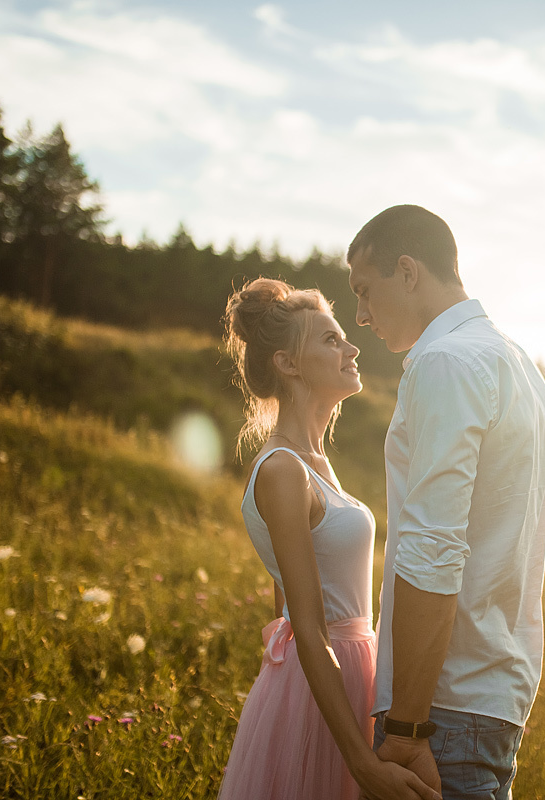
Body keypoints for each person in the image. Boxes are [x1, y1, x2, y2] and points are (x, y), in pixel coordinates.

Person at [347, 205, 545, 800]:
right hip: (493, 697)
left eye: (365, 291)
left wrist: (409, 729)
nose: (360, 316)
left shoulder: (446, 363)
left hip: (441, 710)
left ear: (408, 272)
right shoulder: (519, 365)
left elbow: (433, 549)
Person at [217, 278, 438, 800]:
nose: (352, 347)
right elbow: (308, 628)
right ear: (288, 364)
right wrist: (361, 763)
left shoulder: (317, 466)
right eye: (330, 340)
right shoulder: (282, 470)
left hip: (352, 676)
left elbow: (285, 597)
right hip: (323, 691)